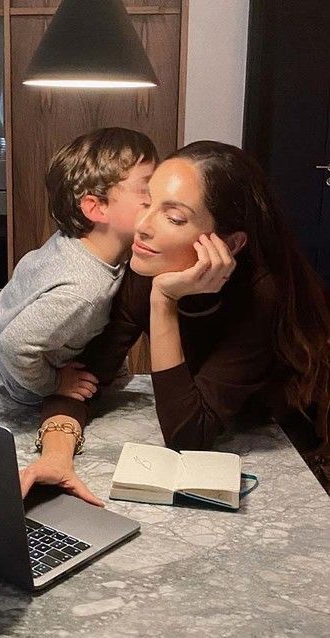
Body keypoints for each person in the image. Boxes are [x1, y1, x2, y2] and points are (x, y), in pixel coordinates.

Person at [20, 140, 330, 504]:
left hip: (297, 464)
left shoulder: (262, 296)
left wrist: (163, 300)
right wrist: (56, 458)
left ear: (229, 244)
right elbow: (82, 381)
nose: (143, 227)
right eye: (147, 202)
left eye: (174, 217)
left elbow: (187, 437)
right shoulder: (147, 263)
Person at [0, 127, 157, 406]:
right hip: (30, 386)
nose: (157, 199)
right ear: (97, 208)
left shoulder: (78, 242)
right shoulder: (84, 290)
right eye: (147, 189)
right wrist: (55, 383)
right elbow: (14, 346)